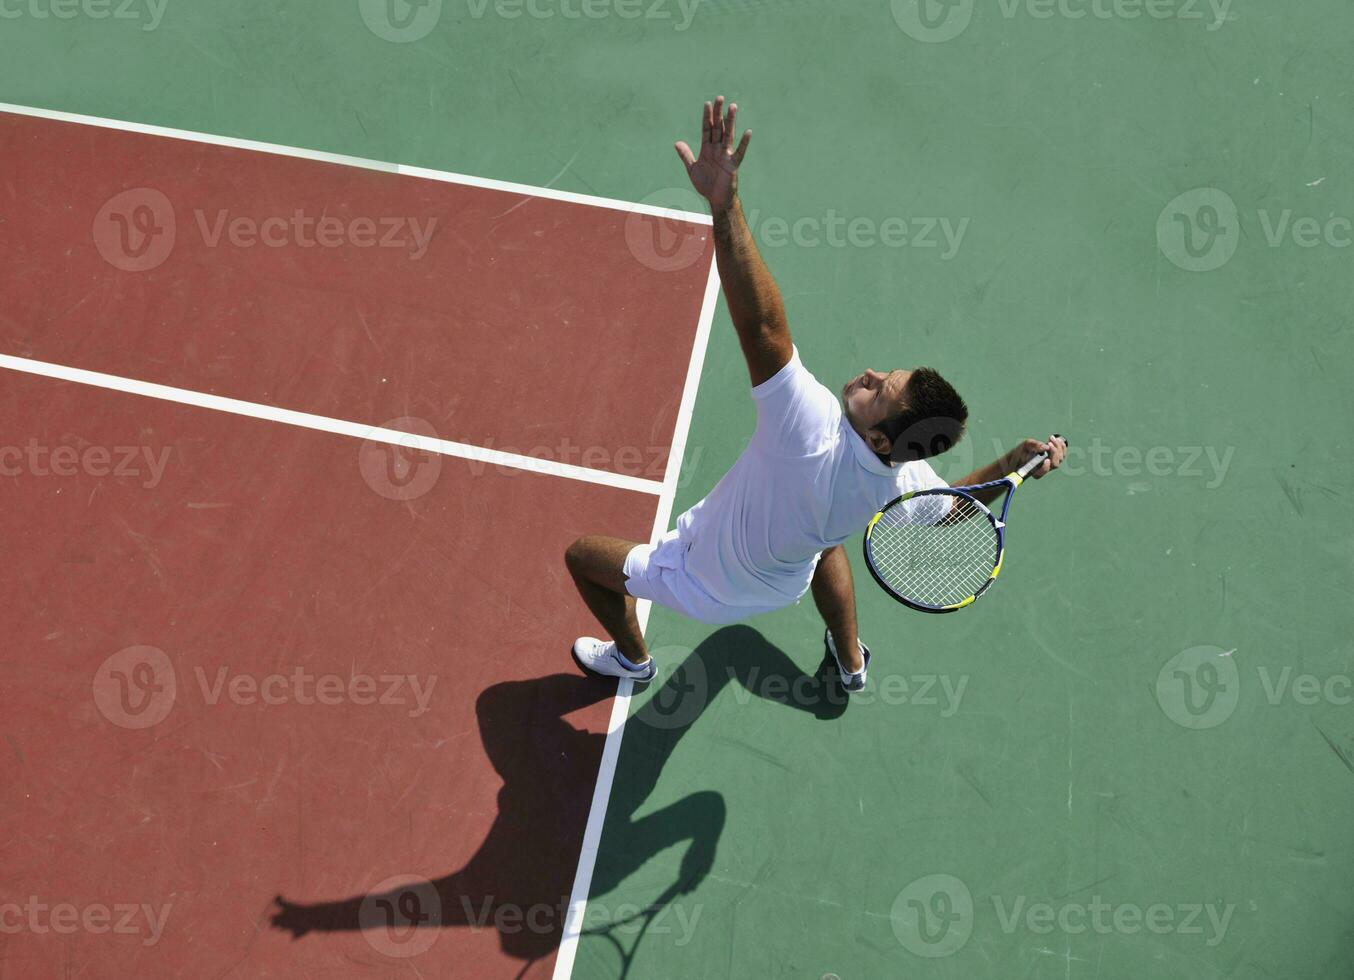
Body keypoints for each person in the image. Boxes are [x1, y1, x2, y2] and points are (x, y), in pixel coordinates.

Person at [566, 97, 1066, 693]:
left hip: (703, 583)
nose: (871, 373)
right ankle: (851, 661)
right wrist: (1014, 464)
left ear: (880, 435)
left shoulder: (806, 427)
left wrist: (724, 208)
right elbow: (957, 509)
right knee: (829, 547)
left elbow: (763, 329)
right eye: (888, 373)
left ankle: (633, 661)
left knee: (583, 558)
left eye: (881, 389)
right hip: (786, 577)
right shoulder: (898, 477)